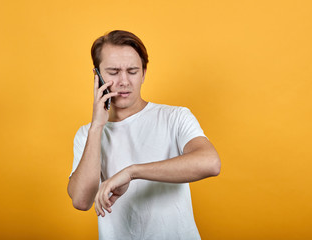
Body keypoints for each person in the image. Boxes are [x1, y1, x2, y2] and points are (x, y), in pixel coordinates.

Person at [67, 30, 221, 240]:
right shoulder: (87, 134)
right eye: (113, 72)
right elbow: (81, 201)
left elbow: (210, 163)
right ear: (97, 76)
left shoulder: (175, 117)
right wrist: (97, 127)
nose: (123, 81)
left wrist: (132, 172)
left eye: (132, 71)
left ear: (144, 73)